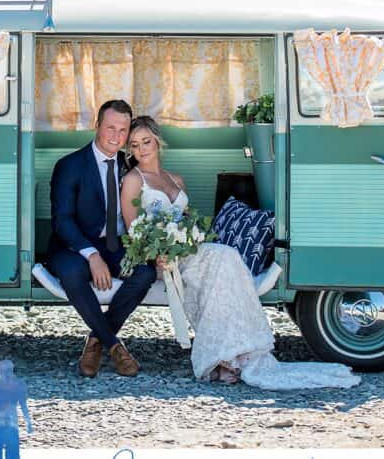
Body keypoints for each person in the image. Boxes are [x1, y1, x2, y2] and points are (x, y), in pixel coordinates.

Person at [120, 116, 361, 390]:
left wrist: (191, 235)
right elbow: (134, 232)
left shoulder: (176, 179)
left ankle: (238, 355)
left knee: (227, 260)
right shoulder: (133, 180)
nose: (142, 150)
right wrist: (158, 257)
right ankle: (223, 357)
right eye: (135, 145)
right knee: (224, 257)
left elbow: (188, 221)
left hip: (188, 250)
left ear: (158, 141)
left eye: (146, 142)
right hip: (165, 260)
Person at [47, 99, 157, 378]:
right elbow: (62, 220)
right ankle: (115, 346)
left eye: (122, 130)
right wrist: (91, 255)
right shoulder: (70, 165)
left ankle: (96, 340)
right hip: (74, 245)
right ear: (97, 125)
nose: (116, 136)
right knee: (72, 274)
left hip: (115, 244)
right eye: (110, 128)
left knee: (145, 272)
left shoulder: (129, 163)